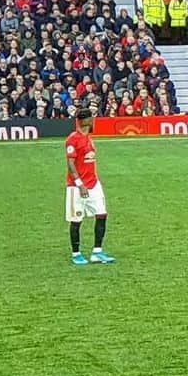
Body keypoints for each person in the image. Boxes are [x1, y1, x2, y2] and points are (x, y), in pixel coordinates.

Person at [65, 109, 115, 266]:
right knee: (76, 220)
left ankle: (97, 252)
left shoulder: (89, 138)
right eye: (91, 117)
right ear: (84, 120)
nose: (94, 120)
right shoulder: (73, 139)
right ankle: (76, 253)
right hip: (77, 187)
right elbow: (70, 163)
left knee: (101, 214)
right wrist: (80, 184)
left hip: (93, 184)